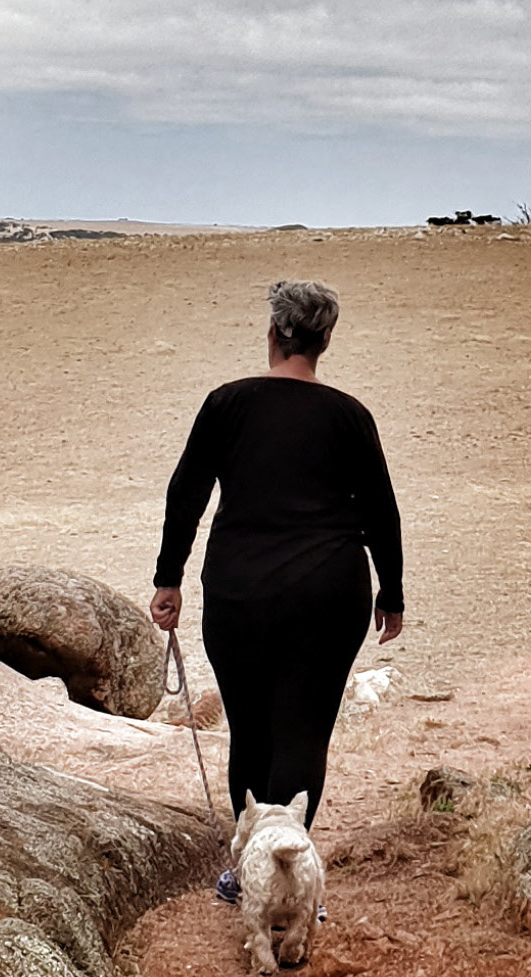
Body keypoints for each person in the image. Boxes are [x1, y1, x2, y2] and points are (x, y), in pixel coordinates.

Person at [150, 279, 404, 905]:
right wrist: (391, 592)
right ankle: (290, 877)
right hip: (328, 591)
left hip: (241, 591)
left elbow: (186, 494)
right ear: (324, 342)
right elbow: (381, 510)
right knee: (303, 733)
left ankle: (247, 877)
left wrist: (168, 578)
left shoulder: (226, 404)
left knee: (251, 733)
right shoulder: (350, 416)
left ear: (273, 335)